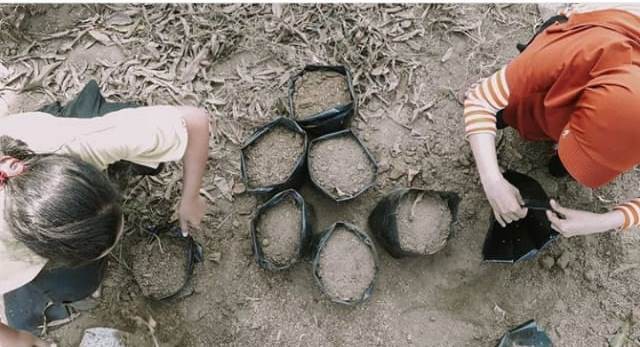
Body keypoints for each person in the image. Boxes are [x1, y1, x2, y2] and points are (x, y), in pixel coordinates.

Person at [0, 104, 211, 346]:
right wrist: (21, 340)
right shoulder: (5, 259)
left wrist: (190, 198)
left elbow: (195, 120)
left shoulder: (79, 143)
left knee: (151, 161)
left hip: (45, 135)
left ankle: (88, 107)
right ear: (43, 251)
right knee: (73, 287)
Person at [466, 4, 640, 237]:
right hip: (595, 37)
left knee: (562, 167)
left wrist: (604, 221)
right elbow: (480, 100)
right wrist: (492, 181)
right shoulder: (570, 52)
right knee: (506, 110)